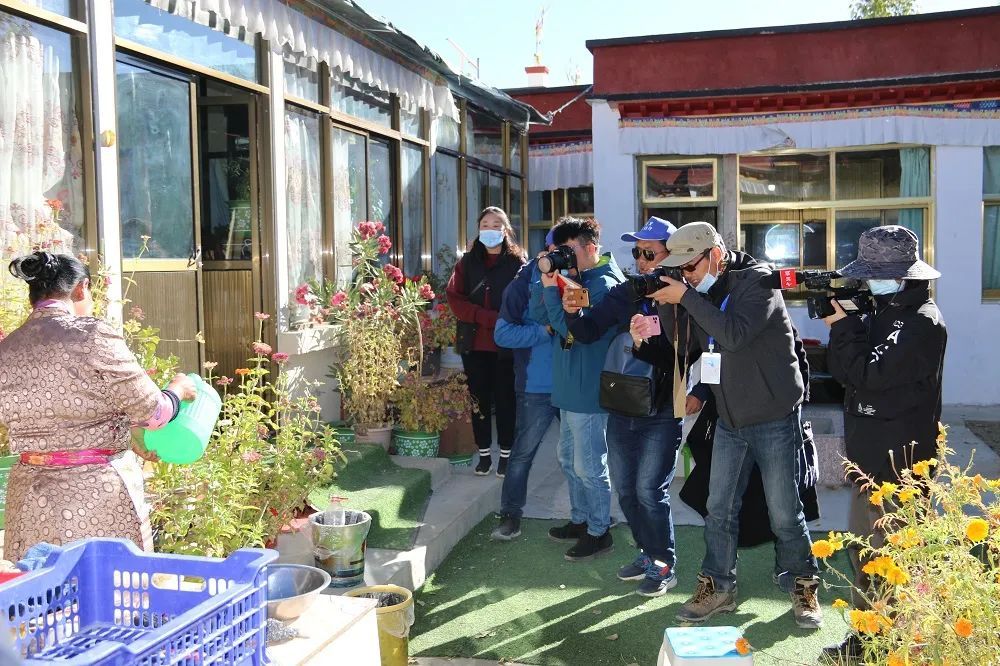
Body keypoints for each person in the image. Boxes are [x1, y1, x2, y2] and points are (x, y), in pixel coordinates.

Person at [646, 222, 822, 629]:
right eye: (680, 270)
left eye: (690, 266)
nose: (687, 275)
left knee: (784, 513)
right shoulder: (700, 290)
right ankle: (718, 587)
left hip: (774, 417)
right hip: (729, 418)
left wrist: (685, 295)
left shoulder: (758, 282)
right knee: (719, 509)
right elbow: (688, 345)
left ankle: (802, 581)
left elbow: (734, 334)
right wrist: (667, 303)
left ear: (716, 255)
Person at [0, 251, 197, 562]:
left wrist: (125, 433)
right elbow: (155, 413)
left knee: (40, 584)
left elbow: (57, 414)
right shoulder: (91, 335)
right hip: (92, 495)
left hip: (28, 497)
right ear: (82, 288)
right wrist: (177, 389)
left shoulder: (7, 348)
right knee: (102, 584)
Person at [820, 226, 946, 663]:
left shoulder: (922, 322)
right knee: (866, 552)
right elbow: (843, 372)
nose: (868, 284)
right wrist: (848, 325)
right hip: (871, 457)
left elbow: (869, 375)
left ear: (901, 276)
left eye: (873, 276)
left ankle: (887, 644)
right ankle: (869, 639)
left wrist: (844, 327)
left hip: (901, 463)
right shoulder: (884, 310)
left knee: (891, 557)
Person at [563, 216, 684, 596]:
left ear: (672, 254)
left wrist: (650, 338)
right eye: (637, 252)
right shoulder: (627, 292)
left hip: (663, 410)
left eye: (650, 252)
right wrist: (571, 309)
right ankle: (648, 553)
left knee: (650, 490)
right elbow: (587, 331)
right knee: (628, 491)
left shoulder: (685, 295)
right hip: (622, 405)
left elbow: (687, 356)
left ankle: (663, 564)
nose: (641, 260)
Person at [530, 217, 624, 561]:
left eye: (569, 251)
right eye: (560, 251)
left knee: (589, 465)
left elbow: (571, 330)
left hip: (590, 388)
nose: (564, 256)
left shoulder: (605, 284)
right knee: (569, 460)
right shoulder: (575, 276)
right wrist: (545, 278)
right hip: (570, 384)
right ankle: (581, 519)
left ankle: (599, 531)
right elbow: (539, 315)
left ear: (591, 248)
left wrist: (552, 289)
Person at [446, 207, 526, 477]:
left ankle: (506, 454)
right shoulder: (467, 262)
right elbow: (455, 299)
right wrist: (485, 317)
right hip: (475, 344)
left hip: (507, 345)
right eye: (485, 225)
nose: (490, 230)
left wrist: (504, 320)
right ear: (478, 229)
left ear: (506, 230)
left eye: (496, 225)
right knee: (478, 400)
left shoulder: (517, 263)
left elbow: (524, 300)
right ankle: (483, 454)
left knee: (506, 400)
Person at [491, 230, 558, 541]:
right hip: (536, 385)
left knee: (585, 457)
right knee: (522, 455)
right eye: (559, 248)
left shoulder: (582, 275)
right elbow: (502, 334)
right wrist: (544, 332)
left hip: (575, 384)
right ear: (548, 248)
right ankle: (510, 515)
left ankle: (591, 518)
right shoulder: (524, 281)